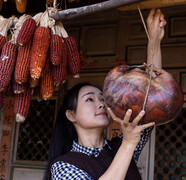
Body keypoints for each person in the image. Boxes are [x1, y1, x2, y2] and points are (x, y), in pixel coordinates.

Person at [44, 8, 166, 180]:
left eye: (102, 98)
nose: (101, 103)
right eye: (90, 99)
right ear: (71, 115)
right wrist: (129, 143)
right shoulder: (64, 166)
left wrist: (154, 41)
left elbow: (151, 99)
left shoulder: (120, 146)